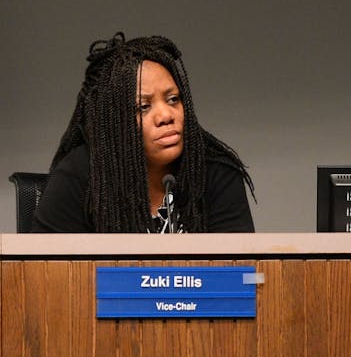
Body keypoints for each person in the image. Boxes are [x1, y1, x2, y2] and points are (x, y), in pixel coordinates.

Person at [31, 33, 254, 233]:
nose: (166, 115)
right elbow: (47, 274)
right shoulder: (80, 176)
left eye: (173, 99)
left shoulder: (214, 172)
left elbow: (236, 271)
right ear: (113, 123)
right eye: (143, 107)